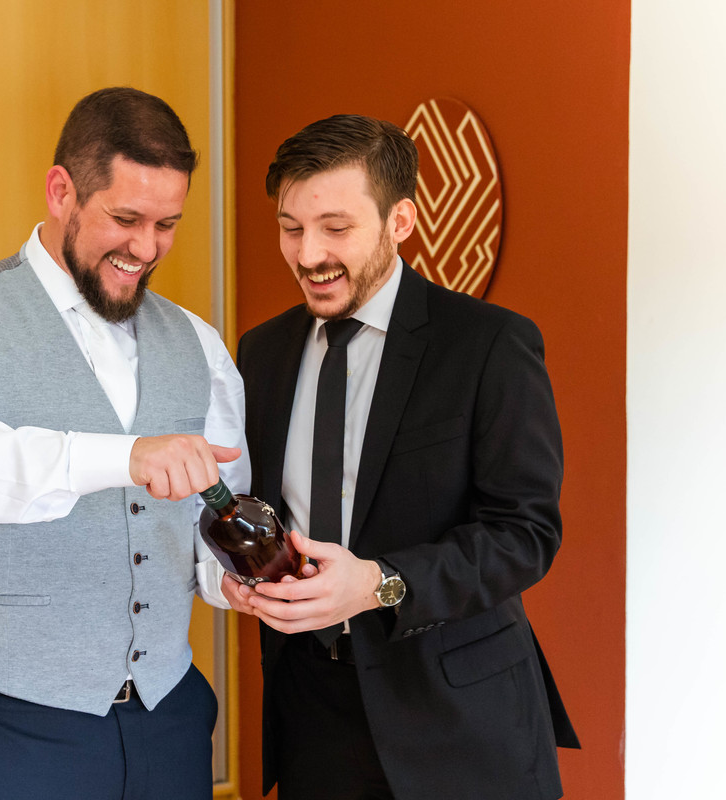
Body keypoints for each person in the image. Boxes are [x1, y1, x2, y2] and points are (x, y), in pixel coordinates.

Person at [0, 87, 248, 800]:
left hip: (169, 716)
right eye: (125, 219)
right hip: (7, 724)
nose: (146, 248)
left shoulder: (198, 344)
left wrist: (226, 577)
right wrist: (123, 457)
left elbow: (216, 510)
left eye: (167, 224)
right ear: (61, 192)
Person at [224, 114, 579, 800]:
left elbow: (525, 535)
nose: (308, 254)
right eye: (291, 228)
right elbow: (269, 507)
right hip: (312, 717)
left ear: (401, 222)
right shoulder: (261, 352)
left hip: (460, 723)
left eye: (336, 227)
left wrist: (379, 583)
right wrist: (246, 573)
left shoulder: (489, 345)